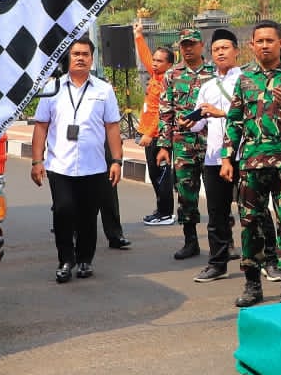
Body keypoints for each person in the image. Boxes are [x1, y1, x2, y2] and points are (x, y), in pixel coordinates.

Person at [221, 21, 281, 307]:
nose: (265, 45)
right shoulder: (244, 78)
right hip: (250, 164)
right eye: (260, 41)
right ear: (252, 45)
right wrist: (227, 157)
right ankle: (252, 285)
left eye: (271, 40)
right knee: (250, 224)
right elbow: (234, 119)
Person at [30, 36, 123, 282]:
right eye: (76, 54)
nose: (81, 58)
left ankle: (84, 260)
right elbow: (41, 126)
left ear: (92, 59)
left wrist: (117, 161)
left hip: (94, 166)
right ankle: (65, 259)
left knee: (88, 214)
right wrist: (36, 161)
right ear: (68, 58)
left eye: (85, 54)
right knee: (63, 210)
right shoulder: (52, 88)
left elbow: (112, 127)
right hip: (60, 164)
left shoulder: (104, 89)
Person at [157, 26, 216, 261]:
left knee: (217, 193)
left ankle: (224, 241)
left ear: (201, 45)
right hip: (183, 144)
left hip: (211, 142)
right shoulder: (172, 75)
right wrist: (164, 146)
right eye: (184, 45)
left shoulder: (215, 72)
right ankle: (190, 240)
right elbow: (165, 112)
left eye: (192, 44)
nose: (188, 48)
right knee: (185, 194)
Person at [191, 29, 244, 282]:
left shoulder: (247, 80)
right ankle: (217, 263)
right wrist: (188, 121)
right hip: (214, 157)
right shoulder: (207, 86)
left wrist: (221, 113)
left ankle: (266, 260)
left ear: (237, 50)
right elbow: (198, 123)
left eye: (225, 48)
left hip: (244, 155)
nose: (220, 53)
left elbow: (253, 116)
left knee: (253, 213)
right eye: (215, 50)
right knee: (216, 214)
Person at [133, 18, 176, 225]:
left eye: (160, 61)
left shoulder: (166, 82)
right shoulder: (156, 75)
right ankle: (161, 209)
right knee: (155, 173)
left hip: (159, 136)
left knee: (161, 175)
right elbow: (146, 58)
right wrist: (139, 36)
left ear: (169, 64)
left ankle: (166, 213)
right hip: (151, 134)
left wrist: (149, 133)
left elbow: (163, 113)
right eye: (155, 60)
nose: (155, 63)